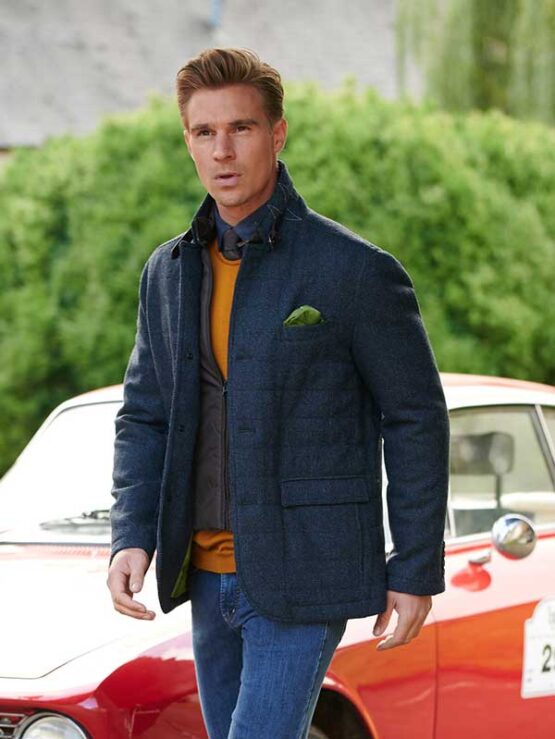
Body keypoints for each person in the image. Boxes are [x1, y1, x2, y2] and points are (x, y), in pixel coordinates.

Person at [107, 47, 450, 739]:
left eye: (241, 128)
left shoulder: (354, 270)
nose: (222, 150)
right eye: (205, 132)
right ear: (187, 140)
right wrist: (131, 535)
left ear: (278, 133)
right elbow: (145, 415)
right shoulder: (167, 272)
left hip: (305, 571)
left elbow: (414, 416)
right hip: (202, 575)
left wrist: (414, 566)